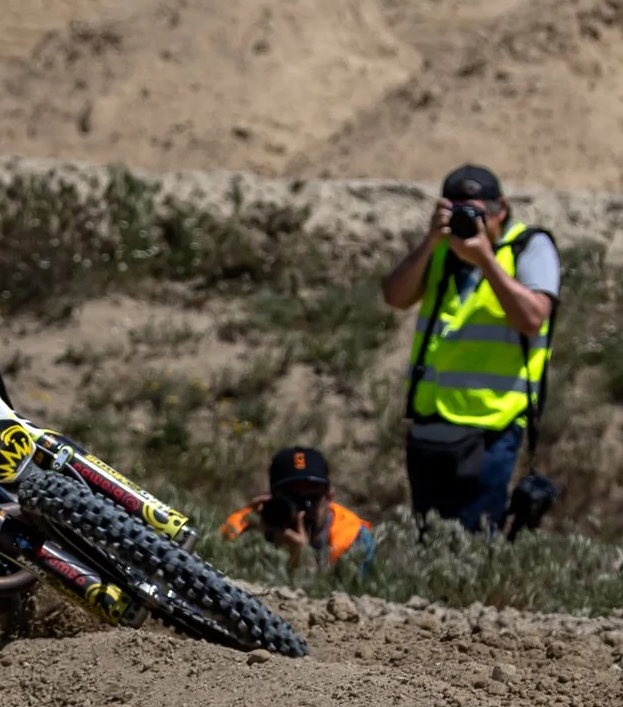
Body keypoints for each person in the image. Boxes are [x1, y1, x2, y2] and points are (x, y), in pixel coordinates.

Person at [379, 165, 559, 534]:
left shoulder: (530, 247)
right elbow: (395, 296)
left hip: (492, 425)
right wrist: (430, 241)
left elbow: (533, 317)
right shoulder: (441, 250)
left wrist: (485, 260)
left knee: (476, 538)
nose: (466, 219)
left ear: (500, 210)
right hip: (432, 421)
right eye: (455, 209)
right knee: (429, 539)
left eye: (474, 210)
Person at [220, 445, 375, 574]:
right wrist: (253, 540)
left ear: (329, 497)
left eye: (312, 499)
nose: (301, 512)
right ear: (271, 496)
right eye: (292, 498)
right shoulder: (245, 523)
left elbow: (351, 600)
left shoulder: (353, 538)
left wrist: (303, 563)